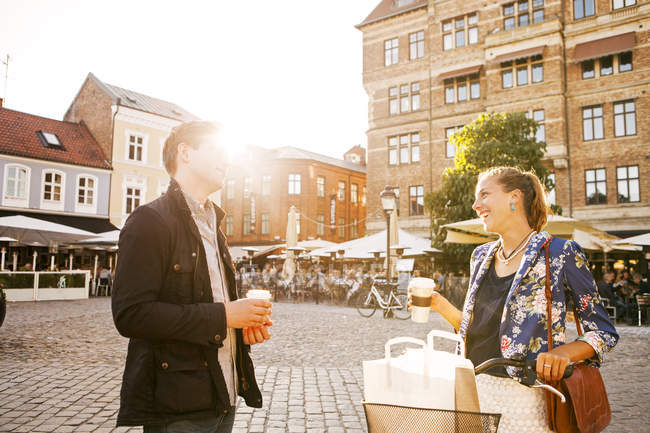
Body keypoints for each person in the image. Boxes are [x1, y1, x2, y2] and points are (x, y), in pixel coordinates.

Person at [411, 167, 618, 433]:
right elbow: (477, 328)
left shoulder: (560, 253)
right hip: (472, 390)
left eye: (484, 194)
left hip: (526, 398)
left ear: (514, 197)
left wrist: (564, 353)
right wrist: (439, 303)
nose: (476, 205)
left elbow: (603, 332)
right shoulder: (480, 256)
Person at [111, 121, 272, 433]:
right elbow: (131, 315)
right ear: (184, 152)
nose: (227, 160)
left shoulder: (215, 224)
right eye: (218, 150)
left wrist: (243, 326)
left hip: (223, 392)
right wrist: (225, 314)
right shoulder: (149, 221)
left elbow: (206, 303)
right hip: (178, 406)